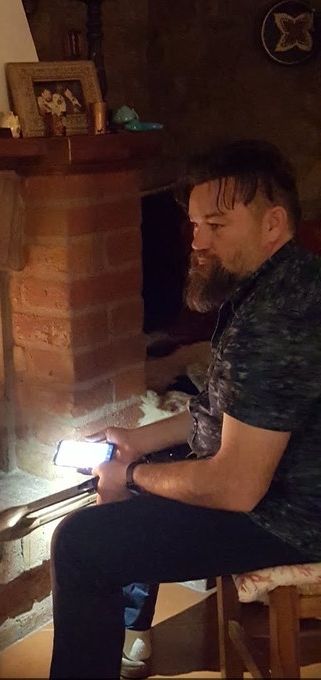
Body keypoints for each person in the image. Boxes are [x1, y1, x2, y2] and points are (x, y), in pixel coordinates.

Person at [48, 139, 321, 679]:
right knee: (139, 470)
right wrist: (138, 441)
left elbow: (237, 486)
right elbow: (228, 411)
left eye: (216, 225)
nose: (198, 241)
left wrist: (132, 474)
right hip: (283, 482)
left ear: (272, 224)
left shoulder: (273, 322)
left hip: (292, 516)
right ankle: (129, 629)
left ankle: (122, 633)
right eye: (196, 225)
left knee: (81, 544)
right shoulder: (289, 281)